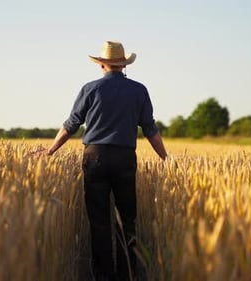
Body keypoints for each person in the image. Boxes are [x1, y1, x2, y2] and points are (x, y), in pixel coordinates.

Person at [44, 41, 167, 281]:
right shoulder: (139, 90)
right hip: (124, 158)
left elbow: (71, 124)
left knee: (98, 220)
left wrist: (51, 150)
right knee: (126, 220)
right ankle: (126, 275)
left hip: (95, 157)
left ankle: (103, 276)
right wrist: (165, 157)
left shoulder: (89, 89)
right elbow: (150, 129)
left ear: (102, 64)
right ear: (123, 65)